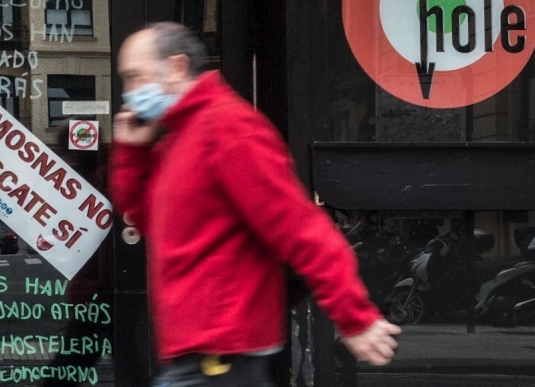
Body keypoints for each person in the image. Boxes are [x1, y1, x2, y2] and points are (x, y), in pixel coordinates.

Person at [109, 22, 401, 386]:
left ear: (178, 67)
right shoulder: (178, 139)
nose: (129, 92)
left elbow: (300, 229)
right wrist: (132, 152)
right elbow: (147, 220)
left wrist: (354, 317)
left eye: (136, 77)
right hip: (201, 352)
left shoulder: (228, 128)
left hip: (221, 353)